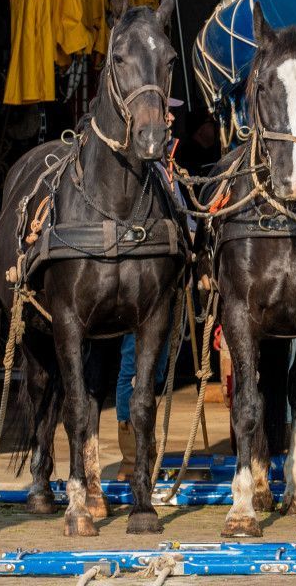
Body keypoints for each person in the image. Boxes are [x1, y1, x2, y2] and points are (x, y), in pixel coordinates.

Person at [113, 98, 186, 480]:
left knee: (153, 370)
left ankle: (146, 449)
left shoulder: (168, 168)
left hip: (166, 287)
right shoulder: (141, 171)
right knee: (133, 366)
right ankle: (132, 457)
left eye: (170, 112)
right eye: (165, 111)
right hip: (142, 289)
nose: (170, 117)